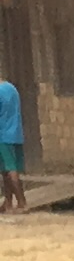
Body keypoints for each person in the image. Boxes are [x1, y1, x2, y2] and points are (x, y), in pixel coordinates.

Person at [0, 67, 24, 213]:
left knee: (10, 168)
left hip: (3, 134)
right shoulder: (12, 88)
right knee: (5, 169)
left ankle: (22, 202)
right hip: (16, 133)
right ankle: (8, 201)